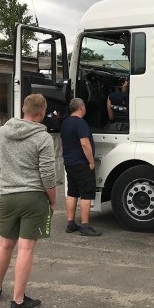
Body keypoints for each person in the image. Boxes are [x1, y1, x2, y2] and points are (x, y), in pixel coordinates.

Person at [0, 93, 56, 308]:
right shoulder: (42, 138)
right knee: (25, 248)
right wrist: (53, 200)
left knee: (5, 244)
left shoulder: (1, 133)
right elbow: (47, 174)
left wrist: (5, 186)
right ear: (42, 112)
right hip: (33, 197)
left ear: (24, 109)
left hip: (7, 196)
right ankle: (18, 300)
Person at [60, 98, 101, 236]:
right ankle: (85, 225)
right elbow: (84, 143)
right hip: (81, 163)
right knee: (86, 193)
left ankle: (71, 223)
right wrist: (91, 161)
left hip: (69, 162)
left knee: (72, 192)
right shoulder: (81, 123)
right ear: (81, 107)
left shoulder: (65, 123)